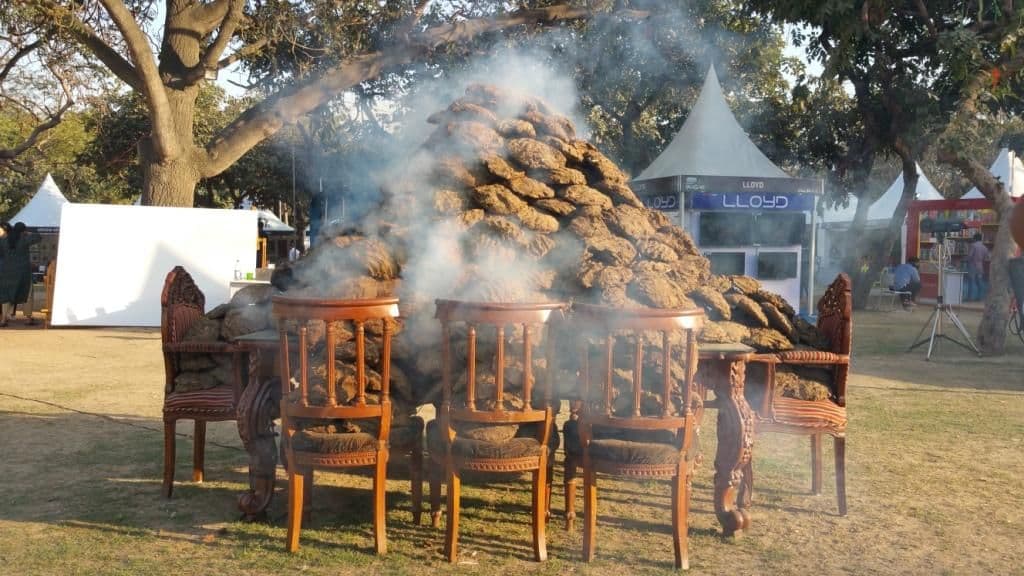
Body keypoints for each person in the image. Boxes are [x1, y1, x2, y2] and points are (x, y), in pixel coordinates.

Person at [0, 222, 42, 326]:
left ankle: (3, 319)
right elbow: (38, 237)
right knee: (28, 294)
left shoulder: (3, 240)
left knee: (6, 295)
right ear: (23, 230)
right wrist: (27, 233)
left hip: (7, 271)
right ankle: (28, 318)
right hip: (23, 272)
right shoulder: (24, 239)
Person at [965, 232, 990, 301]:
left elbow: (970, 256)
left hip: (972, 266)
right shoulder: (984, 247)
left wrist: (965, 259)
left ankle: (970, 298)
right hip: (980, 266)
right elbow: (986, 258)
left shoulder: (973, 245)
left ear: (975, 238)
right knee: (979, 282)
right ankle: (980, 297)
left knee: (971, 282)